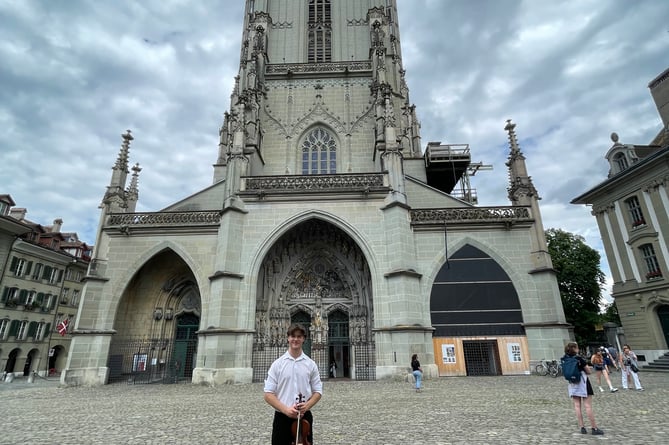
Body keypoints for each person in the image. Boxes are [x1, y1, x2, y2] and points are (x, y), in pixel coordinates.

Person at [264, 324, 323, 445]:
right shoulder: (277, 364)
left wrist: (306, 406)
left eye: (299, 336)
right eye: (292, 336)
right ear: (288, 338)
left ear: (303, 339)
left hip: (304, 417)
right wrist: (286, 410)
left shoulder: (311, 364)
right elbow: (268, 394)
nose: (295, 339)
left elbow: (318, 391)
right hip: (282, 418)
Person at [563, 342, 604, 435]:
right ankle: (594, 428)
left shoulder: (565, 358)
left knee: (577, 406)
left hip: (572, 383)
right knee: (588, 406)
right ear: (574, 349)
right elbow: (588, 371)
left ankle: (582, 427)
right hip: (583, 382)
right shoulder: (578, 359)